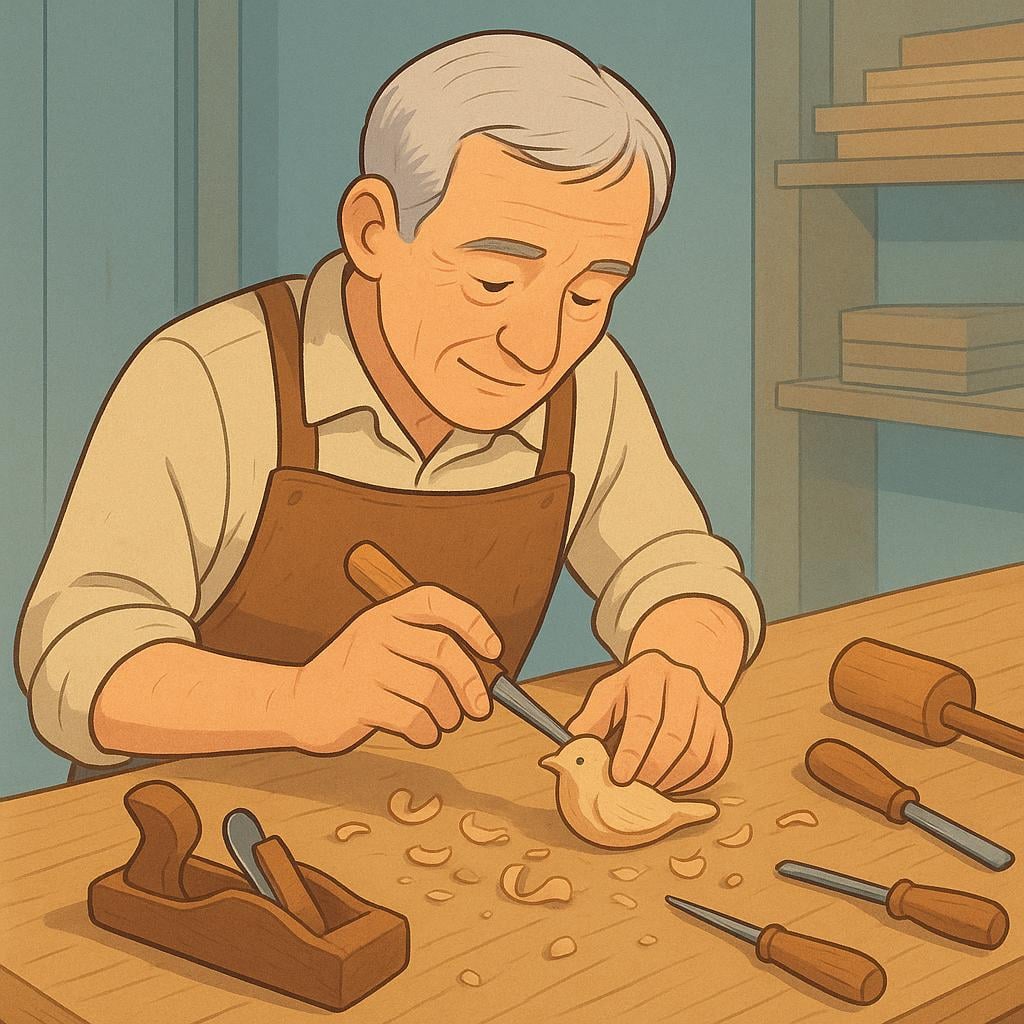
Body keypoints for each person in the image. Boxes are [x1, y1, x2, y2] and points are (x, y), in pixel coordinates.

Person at [16, 32, 763, 792]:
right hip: (176, 832)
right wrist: (298, 701)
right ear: (375, 229)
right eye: (495, 281)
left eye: (588, 294)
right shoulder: (209, 377)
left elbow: (677, 563)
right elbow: (76, 663)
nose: (538, 347)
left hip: (427, 815)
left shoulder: (587, 381)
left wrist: (678, 663)